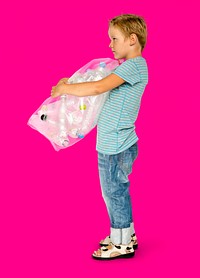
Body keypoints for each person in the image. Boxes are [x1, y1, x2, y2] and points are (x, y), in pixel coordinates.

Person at [51, 14, 148, 260]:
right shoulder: (129, 67)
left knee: (113, 192)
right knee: (117, 191)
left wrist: (64, 89)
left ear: (132, 39)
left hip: (115, 145)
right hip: (116, 142)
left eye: (114, 39)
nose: (110, 44)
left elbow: (97, 88)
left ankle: (121, 242)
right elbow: (94, 83)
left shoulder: (134, 66)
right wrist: (70, 83)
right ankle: (127, 233)